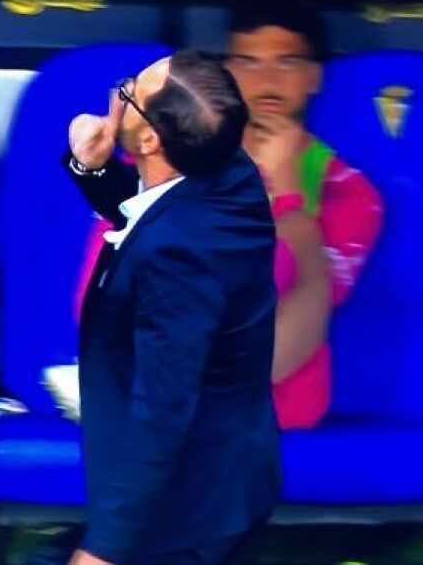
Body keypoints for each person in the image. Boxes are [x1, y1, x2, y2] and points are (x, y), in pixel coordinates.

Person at [64, 49, 281, 565]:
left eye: (129, 93)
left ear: (151, 140)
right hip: (220, 482)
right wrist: (93, 168)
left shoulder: (178, 259)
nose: (118, 96)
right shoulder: (227, 171)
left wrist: (104, 549)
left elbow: (161, 409)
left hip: (184, 512)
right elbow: (152, 214)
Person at [224, 0, 384, 429]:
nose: (266, 81)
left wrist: (287, 195)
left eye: (287, 62)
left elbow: (283, 346)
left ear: (314, 76)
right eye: (248, 62)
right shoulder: (172, 158)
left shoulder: (349, 192)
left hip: (277, 415)